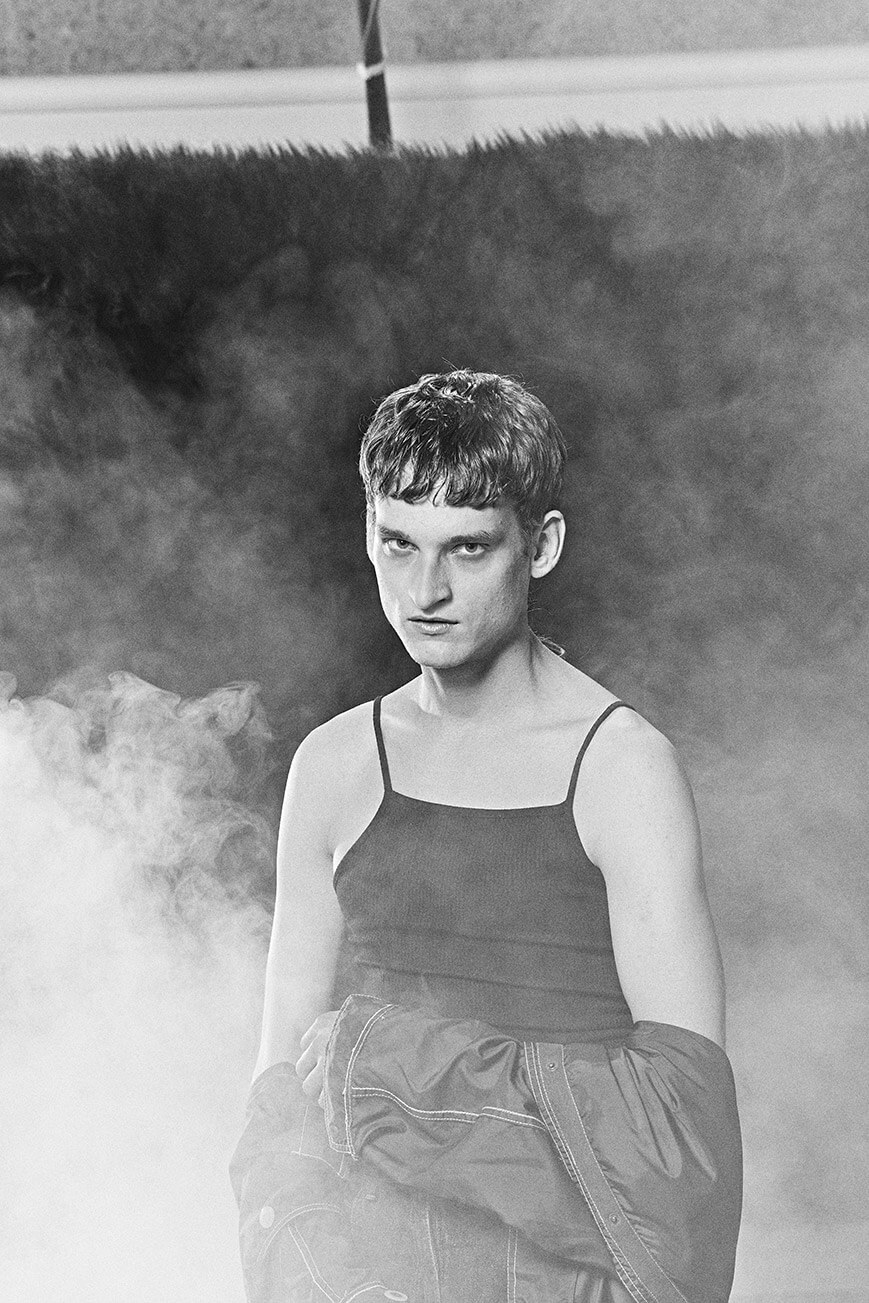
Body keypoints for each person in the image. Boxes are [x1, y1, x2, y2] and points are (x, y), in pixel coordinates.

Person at [230, 370, 742, 1303]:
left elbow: (678, 1153)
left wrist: (386, 1066)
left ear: (539, 546)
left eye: (467, 548)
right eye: (399, 543)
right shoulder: (335, 766)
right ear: (368, 534)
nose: (425, 590)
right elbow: (280, 1110)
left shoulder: (621, 768)